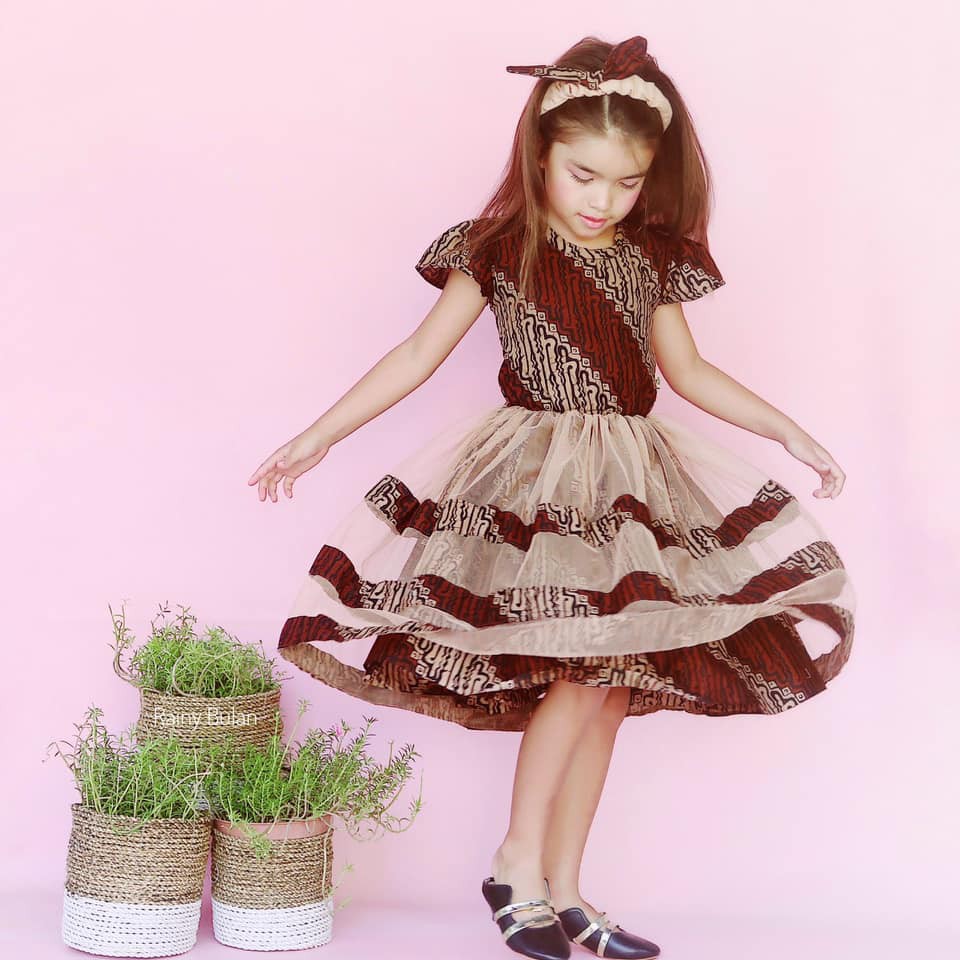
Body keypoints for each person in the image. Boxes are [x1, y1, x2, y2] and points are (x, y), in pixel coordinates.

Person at [247, 34, 856, 960]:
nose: (603, 200)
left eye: (627, 183)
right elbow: (416, 355)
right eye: (584, 175)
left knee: (609, 690)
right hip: (537, 482)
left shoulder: (649, 258)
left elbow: (688, 371)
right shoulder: (497, 248)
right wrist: (317, 435)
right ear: (541, 154)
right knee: (577, 673)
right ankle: (514, 862)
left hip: (633, 486)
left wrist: (789, 431)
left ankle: (566, 889)